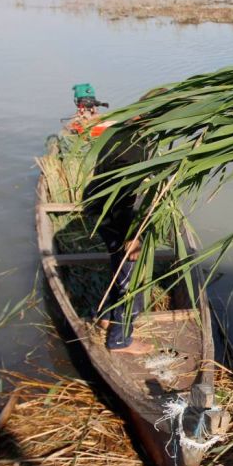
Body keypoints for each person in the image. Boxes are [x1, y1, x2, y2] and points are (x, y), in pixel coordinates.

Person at [83, 121, 155, 355]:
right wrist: (132, 236)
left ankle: (104, 317)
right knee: (128, 276)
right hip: (114, 216)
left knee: (118, 266)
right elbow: (123, 197)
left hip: (99, 208)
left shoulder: (121, 132)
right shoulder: (134, 151)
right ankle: (119, 340)